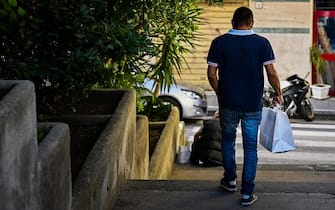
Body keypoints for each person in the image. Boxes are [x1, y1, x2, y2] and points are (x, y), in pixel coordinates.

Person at [206, 6, 284, 206]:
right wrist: (279, 93)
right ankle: (247, 193)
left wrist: (220, 93)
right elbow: (272, 73)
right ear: (251, 22)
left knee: (228, 142)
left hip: (228, 103)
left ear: (233, 22)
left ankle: (230, 180)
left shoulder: (219, 43)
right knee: (250, 149)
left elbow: (211, 74)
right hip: (252, 105)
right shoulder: (262, 43)